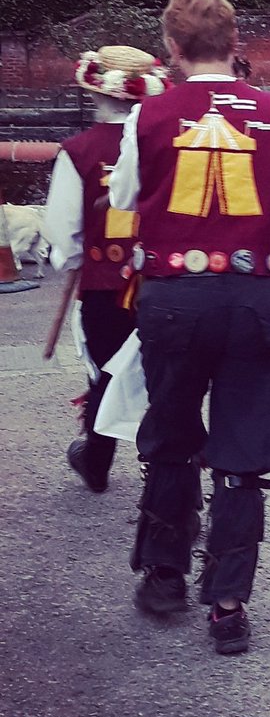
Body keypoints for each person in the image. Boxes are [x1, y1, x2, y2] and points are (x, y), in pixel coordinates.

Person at [108, 0, 270, 654]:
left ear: (173, 47)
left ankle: (163, 576)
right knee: (243, 453)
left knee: (174, 431)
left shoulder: (149, 116)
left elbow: (125, 194)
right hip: (260, 298)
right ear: (234, 42)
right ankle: (228, 606)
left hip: (175, 300)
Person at [43, 46, 170, 494]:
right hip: (164, 280)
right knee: (164, 375)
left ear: (95, 93)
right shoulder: (168, 141)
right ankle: (165, 466)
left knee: (106, 372)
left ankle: (96, 459)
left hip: (103, 288)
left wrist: (74, 258)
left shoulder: (78, 151)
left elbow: (62, 230)